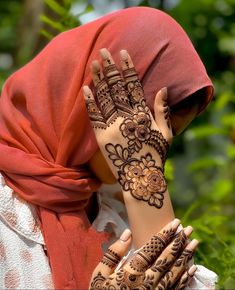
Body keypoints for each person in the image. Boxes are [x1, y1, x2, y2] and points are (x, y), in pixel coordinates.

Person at [0, 6, 217, 290]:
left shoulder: (116, 211)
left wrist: (144, 184)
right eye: (144, 129)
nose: (155, 147)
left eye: (167, 136)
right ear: (86, 106)